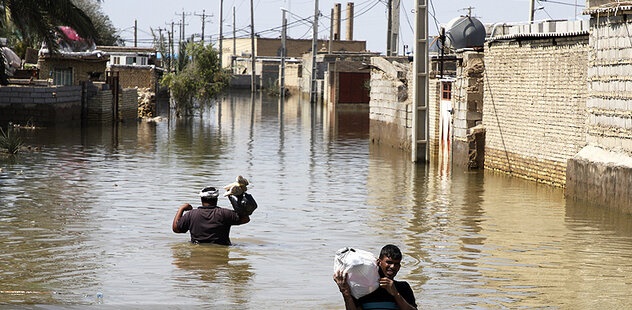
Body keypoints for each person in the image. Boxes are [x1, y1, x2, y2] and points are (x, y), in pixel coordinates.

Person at [334, 244, 417, 310]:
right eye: (389, 262)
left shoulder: (403, 287)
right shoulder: (362, 288)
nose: (392, 266)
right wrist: (346, 293)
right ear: (378, 262)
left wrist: (396, 293)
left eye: (396, 264)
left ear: (399, 267)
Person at [172, 186, 254, 245]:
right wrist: (235, 198)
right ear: (216, 199)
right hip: (221, 254)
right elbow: (245, 219)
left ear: (201, 199)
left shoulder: (191, 214)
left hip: (197, 252)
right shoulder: (225, 213)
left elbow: (176, 229)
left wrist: (181, 208)